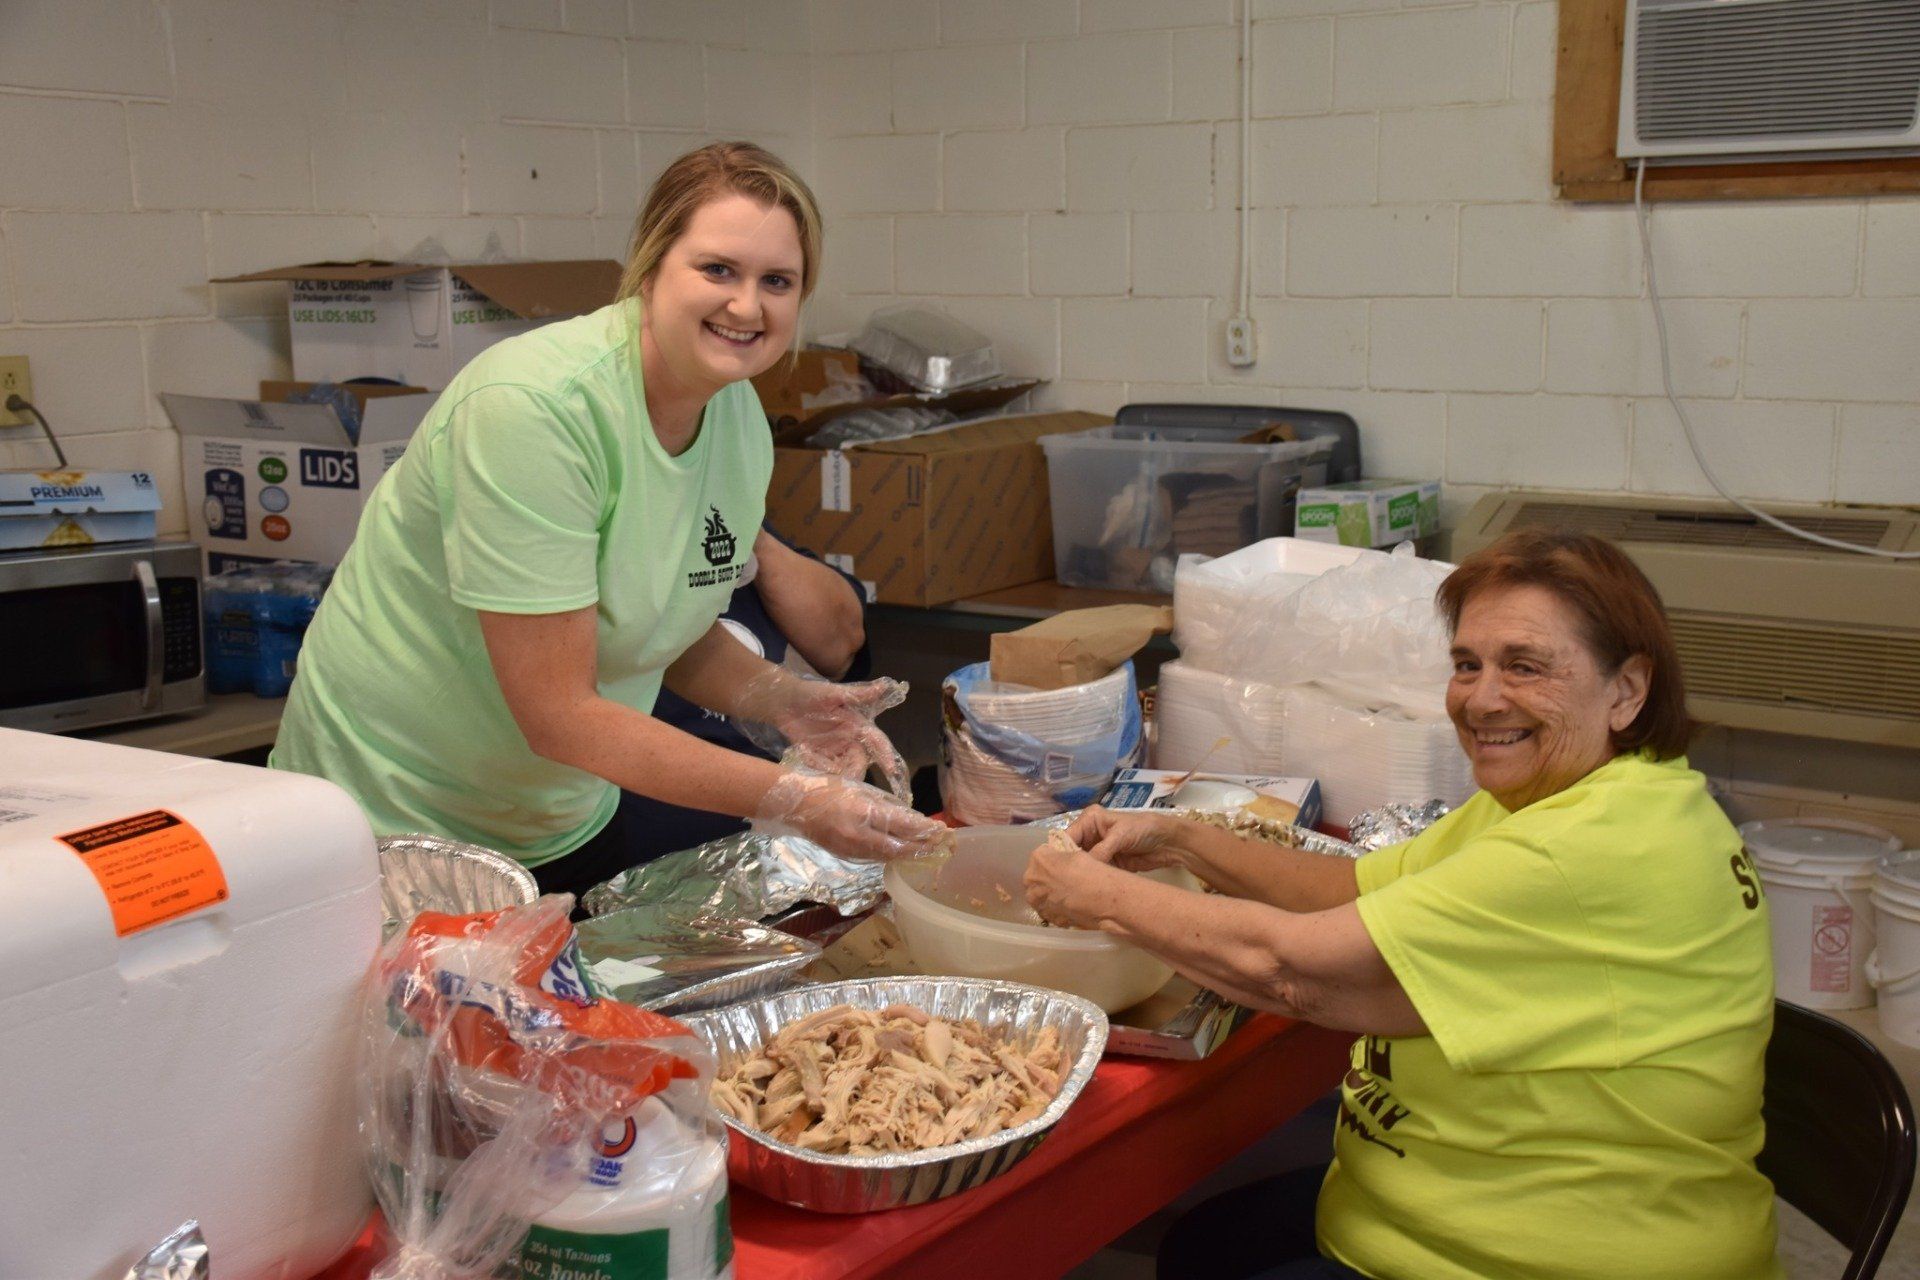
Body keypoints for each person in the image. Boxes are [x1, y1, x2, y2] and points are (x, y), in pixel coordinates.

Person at [1023, 529, 1781, 1280]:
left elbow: (1292, 973)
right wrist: (1181, 839)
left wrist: (1099, 898)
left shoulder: (1585, 849)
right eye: (1466, 665)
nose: (1483, 699)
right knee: (1205, 1247)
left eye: (1525, 667)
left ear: (1628, 689)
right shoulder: (1579, 795)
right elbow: (1359, 889)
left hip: (1551, 1258)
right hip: (1437, 1211)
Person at [271, 141, 946, 899]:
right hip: (397, 826)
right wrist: (795, 799)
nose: (747, 306)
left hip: (558, 811)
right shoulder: (536, 411)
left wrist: (783, 699)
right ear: (654, 263)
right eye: (717, 269)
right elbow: (558, 714)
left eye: (777, 282)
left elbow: (660, 625)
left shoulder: (737, 420)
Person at [614, 523, 872, 859]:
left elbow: (840, 647)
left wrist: (751, 528)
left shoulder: (738, 528)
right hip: (654, 821)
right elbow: (572, 716)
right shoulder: (624, 555)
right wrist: (796, 795)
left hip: (776, 806)